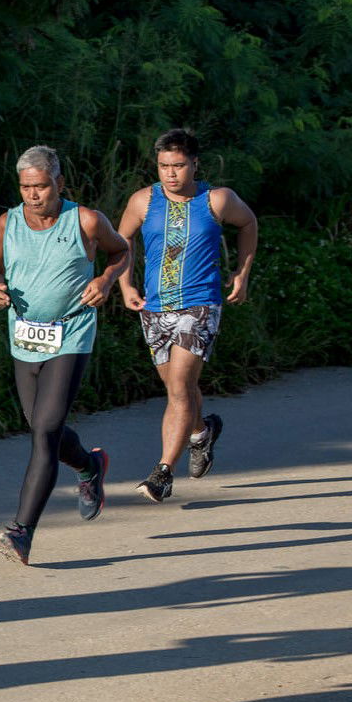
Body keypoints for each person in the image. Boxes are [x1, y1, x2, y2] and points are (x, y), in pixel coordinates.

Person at [0, 146, 129, 565]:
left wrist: (106, 278)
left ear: (59, 183)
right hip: (24, 338)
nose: (33, 195)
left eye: (41, 186)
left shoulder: (85, 220)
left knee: (44, 430)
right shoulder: (7, 223)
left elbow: (121, 251)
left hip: (71, 334)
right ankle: (89, 465)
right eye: (26, 187)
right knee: (42, 427)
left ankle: (21, 532)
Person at [116, 128, 258, 503]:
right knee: (180, 389)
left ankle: (163, 472)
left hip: (200, 304)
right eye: (164, 166)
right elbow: (122, 240)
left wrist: (241, 274)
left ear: (195, 164)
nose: (171, 173)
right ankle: (201, 431)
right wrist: (126, 285)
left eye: (178, 165)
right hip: (155, 308)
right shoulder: (143, 201)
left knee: (179, 386)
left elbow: (248, 223)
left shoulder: (217, 199)